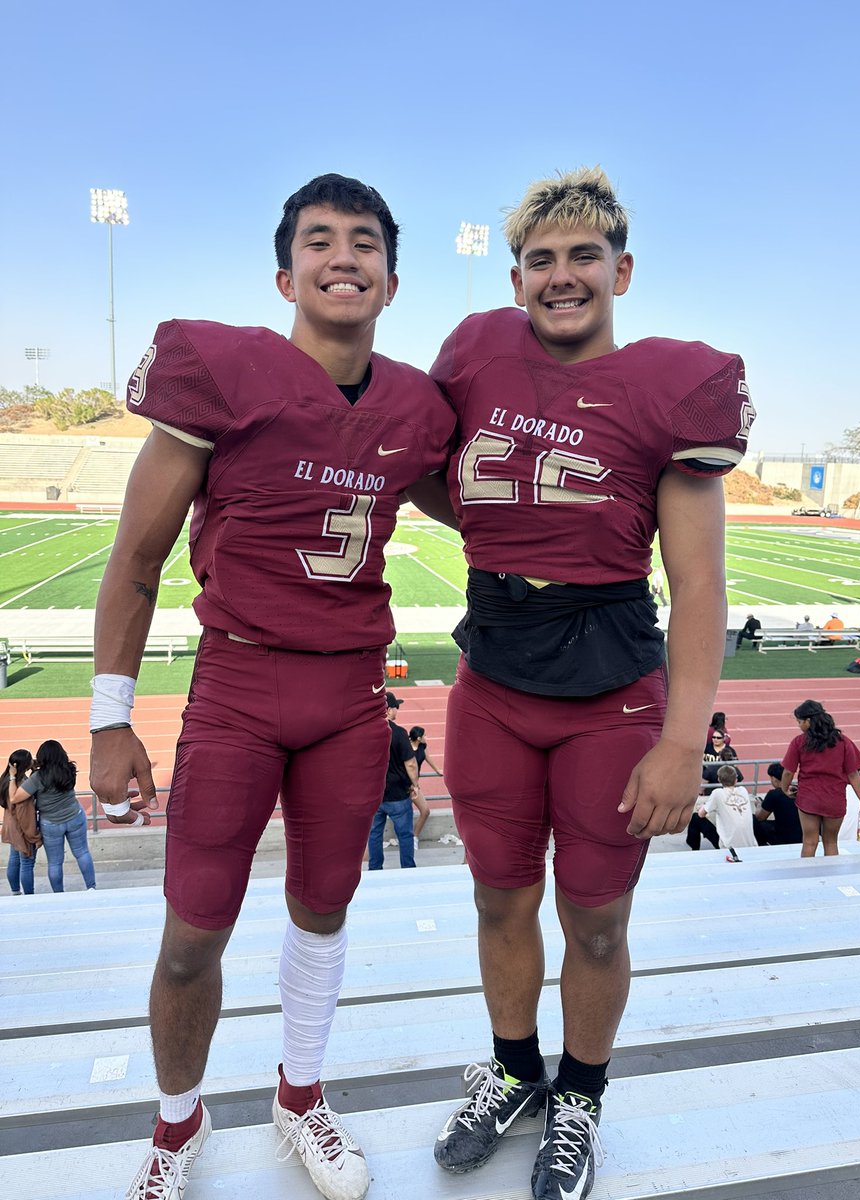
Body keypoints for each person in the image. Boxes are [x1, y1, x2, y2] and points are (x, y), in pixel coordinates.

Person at [89, 174, 455, 1200]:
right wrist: (109, 717)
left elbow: (482, 502)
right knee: (190, 933)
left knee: (325, 910)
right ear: (285, 271)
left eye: (365, 243)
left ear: (391, 278)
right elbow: (136, 559)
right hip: (239, 688)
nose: (344, 255)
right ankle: (177, 1121)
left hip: (347, 699)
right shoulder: (224, 370)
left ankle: (300, 1098)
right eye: (321, 239)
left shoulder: (416, 405)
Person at [412, 166, 753, 1200]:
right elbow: (434, 467)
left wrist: (682, 739)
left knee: (597, 919)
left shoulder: (669, 385)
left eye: (583, 258)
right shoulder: (475, 348)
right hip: (496, 668)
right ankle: (514, 1069)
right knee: (496, 897)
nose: (562, 277)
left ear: (622, 269)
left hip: (610, 680)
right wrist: (504, 524)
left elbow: (698, 587)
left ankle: (582, 1096)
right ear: (518, 278)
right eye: (542, 261)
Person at [779, 700, 860, 857]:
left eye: (799, 721)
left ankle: (806, 876)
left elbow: (788, 772)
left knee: (809, 842)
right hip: (834, 799)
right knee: (831, 842)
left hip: (809, 798)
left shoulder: (799, 742)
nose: (798, 725)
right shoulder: (843, 741)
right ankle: (831, 878)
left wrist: (785, 788)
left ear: (808, 721)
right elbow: (853, 773)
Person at [10, 740, 95, 892]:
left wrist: (12, 777)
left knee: (55, 862)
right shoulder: (69, 768)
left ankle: (58, 893)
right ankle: (91, 887)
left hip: (51, 823)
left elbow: (15, 798)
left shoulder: (38, 777)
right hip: (75, 815)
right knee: (82, 852)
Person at [367, 693, 419, 870]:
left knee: (374, 834)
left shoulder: (367, 732)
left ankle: (375, 869)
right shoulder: (399, 733)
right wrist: (415, 785)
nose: (397, 709)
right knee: (405, 835)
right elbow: (411, 763)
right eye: (396, 706)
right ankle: (408, 868)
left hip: (374, 794)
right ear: (389, 710)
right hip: (398, 795)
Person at [1, 749, 41, 895]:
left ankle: (15, 892)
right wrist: (34, 836)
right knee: (27, 863)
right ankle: (29, 895)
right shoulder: (23, 785)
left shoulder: (6, 779)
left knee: (14, 859)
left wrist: (32, 768)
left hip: (10, 826)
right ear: (25, 765)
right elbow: (25, 816)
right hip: (21, 829)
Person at [697, 765, 756, 851]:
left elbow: (701, 814)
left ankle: (694, 849)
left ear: (719, 779)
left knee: (696, 818)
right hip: (751, 845)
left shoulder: (717, 793)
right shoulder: (743, 790)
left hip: (729, 846)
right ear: (736, 780)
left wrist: (702, 807)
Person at [407, 725, 442, 847]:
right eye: (425, 735)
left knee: (425, 811)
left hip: (415, 786)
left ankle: (414, 838)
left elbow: (428, 758)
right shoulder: (405, 746)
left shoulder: (423, 746)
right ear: (418, 737)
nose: (427, 737)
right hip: (404, 786)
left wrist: (438, 770)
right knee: (405, 814)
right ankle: (406, 841)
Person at [753, 762, 802, 846]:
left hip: (783, 837)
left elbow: (760, 817)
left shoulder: (774, 794)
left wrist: (758, 805)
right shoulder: (798, 790)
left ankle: (762, 846)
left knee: (754, 820)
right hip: (801, 834)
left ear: (774, 779)